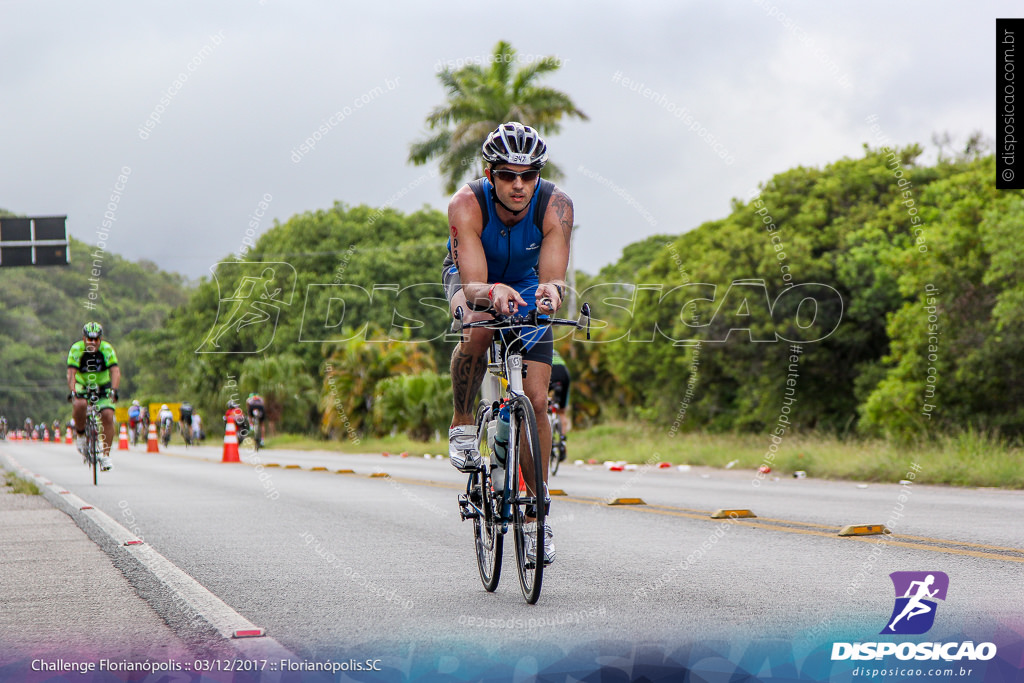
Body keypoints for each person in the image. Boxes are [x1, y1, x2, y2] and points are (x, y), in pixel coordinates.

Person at [443, 121, 573, 565]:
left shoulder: (556, 205)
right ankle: (462, 422)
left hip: (525, 283)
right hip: (473, 278)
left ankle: (537, 520)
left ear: (539, 174)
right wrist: (489, 292)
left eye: (528, 175)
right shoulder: (466, 204)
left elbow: (555, 279)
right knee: (479, 326)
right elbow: (475, 283)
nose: (519, 186)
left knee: (536, 401)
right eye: (506, 175)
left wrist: (551, 293)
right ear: (489, 172)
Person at [67, 322, 120, 470]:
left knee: (108, 415)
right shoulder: (76, 349)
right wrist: (73, 391)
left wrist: (114, 390)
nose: (93, 342)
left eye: (96, 339)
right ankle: (81, 435)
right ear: (84, 339)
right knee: (80, 404)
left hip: (102, 385)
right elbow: (71, 373)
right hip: (82, 384)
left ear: (100, 340)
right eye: (89, 339)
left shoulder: (107, 349)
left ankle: (106, 455)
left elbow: (115, 371)